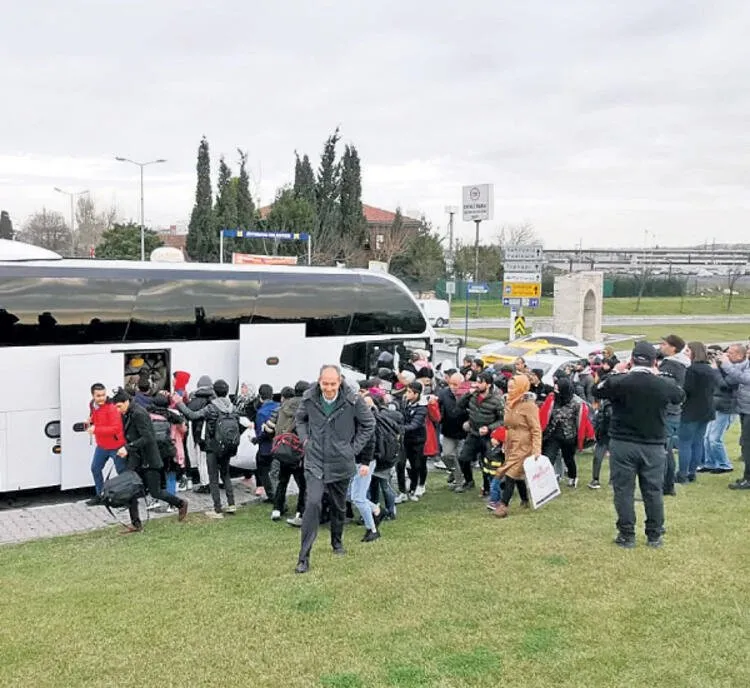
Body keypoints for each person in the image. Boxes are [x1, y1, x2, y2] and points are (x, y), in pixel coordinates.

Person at [593, 342, 684, 548]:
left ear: (631, 360)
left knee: (623, 490)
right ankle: (654, 534)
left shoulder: (619, 381)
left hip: (623, 442)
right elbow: (679, 397)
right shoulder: (663, 383)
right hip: (653, 444)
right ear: (654, 362)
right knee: (653, 490)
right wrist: (659, 376)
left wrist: (616, 372)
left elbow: (596, 390)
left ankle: (627, 534)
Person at [294, 364, 375, 574]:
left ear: (340, 382)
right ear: (319, 381)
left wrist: (353, 449)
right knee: (312, 504)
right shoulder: (309, 397)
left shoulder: (353, 399)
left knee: (339, 506)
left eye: (332, 384)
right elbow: (300, 419)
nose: (328, 388)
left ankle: (337, 542)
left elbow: (369, 424)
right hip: (315, 460)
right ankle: (303, 557)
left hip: (341, 461)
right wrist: (305, 441)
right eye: (324, 383)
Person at [111, 389, 188, 533]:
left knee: (156, 492)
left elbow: (148, 437)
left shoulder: (139, 413)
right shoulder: (127, 413)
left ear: (127, 402)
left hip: (149, 459)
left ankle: (181, 503)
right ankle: (136, 524)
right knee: (131, 490)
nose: (118, 410)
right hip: (136, 458)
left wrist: (128, 447)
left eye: (119, 406)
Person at [175, 379, 240, 519]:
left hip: (213, 445)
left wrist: (179, 403)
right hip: (228, 444)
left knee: (213, 477)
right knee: (226, 474)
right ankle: (231, 503)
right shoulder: (233, 408)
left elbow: (192, 415)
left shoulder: (211, 407)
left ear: (214, 392)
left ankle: (217, 509)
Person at [493, 375, 541, 518]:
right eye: (509, 387)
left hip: (524, 444)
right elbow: (507, 425)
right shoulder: (509, 402)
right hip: (511, 443)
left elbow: (536, 429)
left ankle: (503, 505)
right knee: (518, 473)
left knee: (510, 473)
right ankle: (525, 500)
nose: (510, 389)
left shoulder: (529, 405)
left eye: (513, 387)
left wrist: (536, 449)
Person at [676, 341, 719, 483]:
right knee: (697, 442)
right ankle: (692, 472)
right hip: (706, 409)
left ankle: (682, 474)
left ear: (694, 352)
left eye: (688, 351)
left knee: (685, 443)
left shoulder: (692, 370)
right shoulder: (709, 369)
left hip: (691, 409)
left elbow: (687, 390)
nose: (685, 353)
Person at [456, 371, 505, 493]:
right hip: (473, 433)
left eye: (480, 382)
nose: (477, 384)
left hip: (488, 436)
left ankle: (487, 488)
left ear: (488, 384)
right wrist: (468, 394)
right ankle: (468, 481)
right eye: (476, 381)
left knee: (486, 462)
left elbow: (503, 420)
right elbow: (459, 405)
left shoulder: (497, 400)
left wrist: (489, 428)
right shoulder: (473, 395)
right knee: (463, 458)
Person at [269, 382, 309, 526]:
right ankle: (300, 511)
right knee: (303, 484)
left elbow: (276, 426)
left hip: (284, 447)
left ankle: (277, 509)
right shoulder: (306, 407)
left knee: (282, 480)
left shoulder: (283, 406)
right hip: (298, 449)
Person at [85, 383, 128, 506]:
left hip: (116, 445)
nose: (101, 398)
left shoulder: (112, 407)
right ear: (93, 395)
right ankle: (100, 495)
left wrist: (95, 429)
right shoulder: (92, 405)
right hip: (102, 445)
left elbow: (115, 428)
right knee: (95, 468)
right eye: (98, 396)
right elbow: (96, 418)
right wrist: (90, 421)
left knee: (122, 473)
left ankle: (125, 497)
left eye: (103, 395)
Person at [703, 345, 743, 474]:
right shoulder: (724, 368)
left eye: (730, 353)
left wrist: (716, 369)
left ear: (739, 355)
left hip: (726, 407)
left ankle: (724, 464)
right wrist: (717, 366)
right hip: (716, 404)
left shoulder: (737, 369)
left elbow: (725, 385)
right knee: (707, 436)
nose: (727, 355)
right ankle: (710, 462)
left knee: (715, 438)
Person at [659, 334, 689, 496]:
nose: (660, 346)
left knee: (663, 449)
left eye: (664, 344)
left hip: (668, 410)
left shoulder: (671, 365)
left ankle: (664, 484)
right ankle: (668, 484)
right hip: (674, 410)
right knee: (668, 449)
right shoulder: (680, 364)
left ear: (673, 348)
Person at [542, 377, 583, 487]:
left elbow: (580, 421)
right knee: (548, 458)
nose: (555, 392)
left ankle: (572, 477)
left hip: (569, 436)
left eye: (557, 389)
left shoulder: (577, 403)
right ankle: (547, 481)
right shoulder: (552, 398)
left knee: (568, 458)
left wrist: (580, 438)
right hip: (553, 433)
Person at [721, 344, 750, 490]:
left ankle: (749, 479)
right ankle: (747, 476)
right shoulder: (745, 365)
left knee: (748, 445)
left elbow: (745, 379)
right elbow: (731, 380)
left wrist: (727, 366)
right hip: (744, 408)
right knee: (745, 445)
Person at [437, 373, 468, 486]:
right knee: (446, 455)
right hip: (448, 430)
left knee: (460, 458)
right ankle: (454, 473)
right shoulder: (444, 393)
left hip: (464, 432)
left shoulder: (468, 394)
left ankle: (460, 481)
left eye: (456, 384)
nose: (453, 387)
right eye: (451, 384)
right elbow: (437, 406)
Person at [401, 381, 428, 502]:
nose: (406, 394)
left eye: (409, 392)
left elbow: (415, 424)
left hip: (418, 440)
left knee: (418, 464)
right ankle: (411, 485)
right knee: (405, 464)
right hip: (406, 439)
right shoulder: (406, 403)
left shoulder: (422, 408)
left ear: (416, 394)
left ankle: (419, 485)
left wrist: (399, 428)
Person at [254, 384, 280, 501]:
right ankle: (277, 492)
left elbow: (261, 432)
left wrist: (255, 439)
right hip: (279, 445)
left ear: (260, 397)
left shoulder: (261, 413)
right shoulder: (279, 407)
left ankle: (271, 494)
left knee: (263, 470)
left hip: (266, 447)